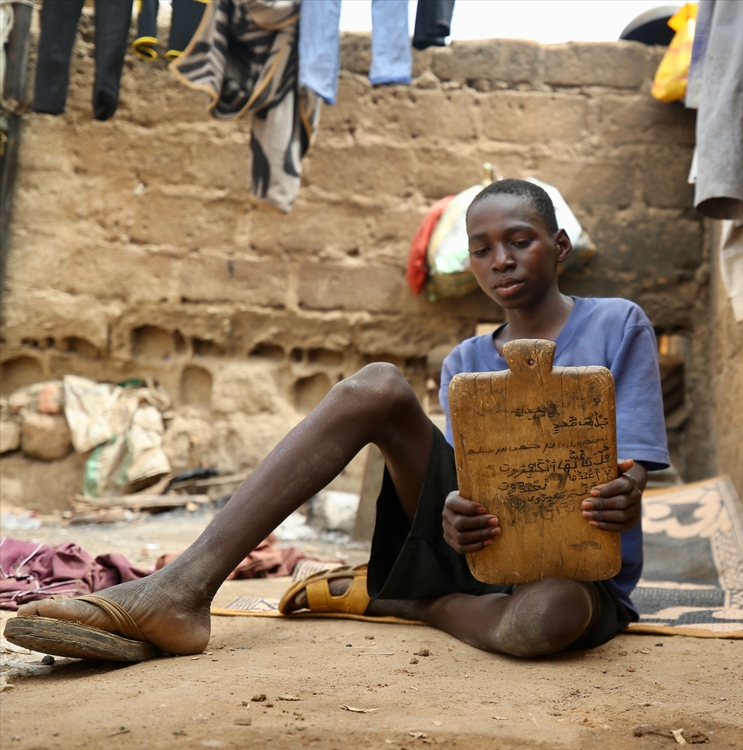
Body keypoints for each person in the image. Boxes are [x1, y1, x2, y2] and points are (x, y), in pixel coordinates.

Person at [9, 179, 669, 660]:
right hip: (486, 551)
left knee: (544, 623)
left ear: (558, 246)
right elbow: (470, 489)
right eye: (481, 248)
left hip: (580, 568)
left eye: (519, 241)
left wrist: (627, 489)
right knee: (376, 386)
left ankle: (407, 600)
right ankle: (179, 592)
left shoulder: (618, 324)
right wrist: (456, 515)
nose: (500, 259)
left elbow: (633, 465)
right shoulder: (466, 360)